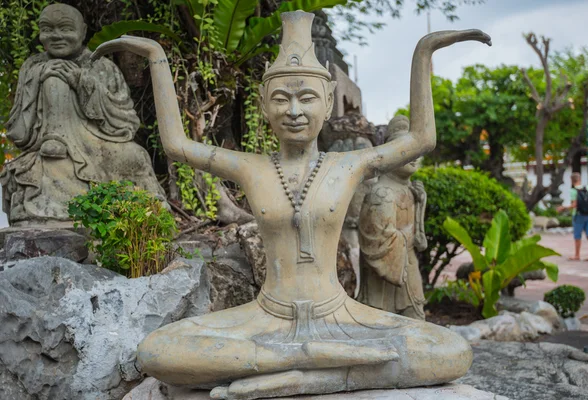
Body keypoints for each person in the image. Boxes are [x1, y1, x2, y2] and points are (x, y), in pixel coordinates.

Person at [93, 11, 491, 399]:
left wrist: (424, 51)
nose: (295, 111)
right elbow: (177, 146)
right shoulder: (252, 168)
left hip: (342, 318)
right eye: (282, 99)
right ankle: (313, 362)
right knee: (157, 351)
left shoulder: (350, 165)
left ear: (328, 99)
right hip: (267, 319)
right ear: (264, 103)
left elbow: (421, 138)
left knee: (453, 352)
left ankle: (304, 378)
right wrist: (156, 57)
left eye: (307, 98)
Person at [1, 4, 165, 226]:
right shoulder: (32, 66)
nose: (56, 35)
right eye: (47, 29)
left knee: (136, 157)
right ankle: (55, 137)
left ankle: (145, 218)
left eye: (65, 28)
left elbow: (125, 120)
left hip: (98, 142)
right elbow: (19, 129)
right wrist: (40, 77)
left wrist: (82, 83)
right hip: (53, 150)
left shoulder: (102, 67)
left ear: (83, 31)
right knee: (52, 79)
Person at [358, 115, 428, 320]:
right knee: (382, 326)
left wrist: (421, 204)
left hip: (409, 266)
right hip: (385, 275)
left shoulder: (411, 190)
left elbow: (419, 240)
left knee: (416, 321)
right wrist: (406, 236)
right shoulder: (382, 193)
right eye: (405, 149)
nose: (414, 156)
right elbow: (377, 241)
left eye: (417, 150)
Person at [557, 172, 588, 261]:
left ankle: (577, 255)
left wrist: (563, 207)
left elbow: (574, 205)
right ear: (580, 179)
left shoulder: (573, 190)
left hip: (579, 215)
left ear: (572, 180)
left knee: (577, 236)